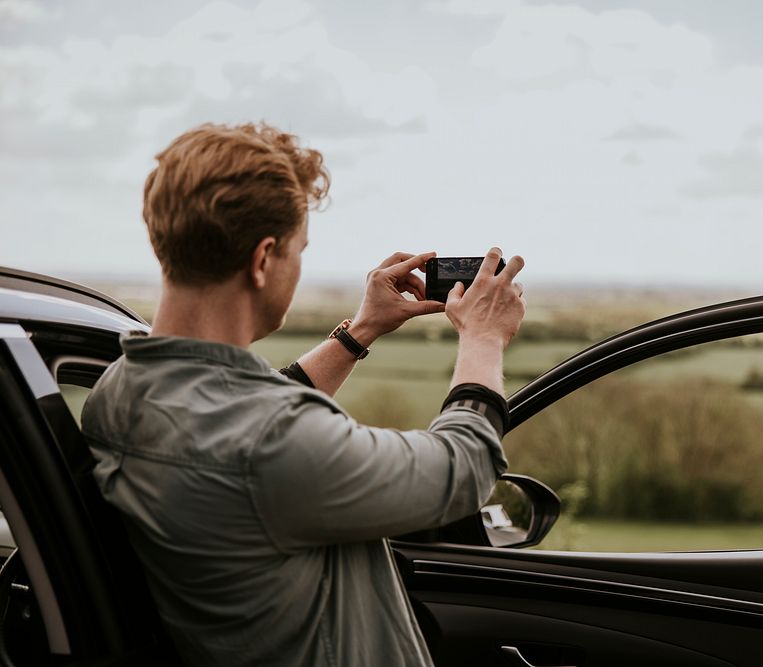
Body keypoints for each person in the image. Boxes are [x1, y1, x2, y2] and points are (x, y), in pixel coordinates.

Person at [81, 122, 526, 666]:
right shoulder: (270, 440)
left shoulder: (117, 392)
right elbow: (461, 470)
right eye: (299, 250)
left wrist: (359, 331)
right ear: (264, 259)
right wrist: (482, 338)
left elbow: (240, 407)